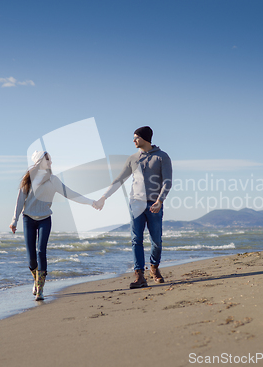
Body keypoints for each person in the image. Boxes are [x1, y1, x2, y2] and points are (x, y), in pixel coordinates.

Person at [10, 150, 99, 300]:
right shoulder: (28, 179)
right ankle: (36, 280)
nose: (51, 162)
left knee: (40, 251)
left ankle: (40, 289)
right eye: (47, 159)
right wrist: (14, 220)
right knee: (31, 258)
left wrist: (91, 202)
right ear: (39, 161)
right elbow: (20, 201)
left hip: (45, 218)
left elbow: (71, 193)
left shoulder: (53, 180)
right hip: (28, 219)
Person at [94, 126, 172, 289]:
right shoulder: (132, 159)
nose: (133, 140)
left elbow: (167, 182)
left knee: (156, 241)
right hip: (135, 204)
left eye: (136, 137)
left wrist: (160, 200)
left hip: (154, 204)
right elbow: (119, 179)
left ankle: (154, 267)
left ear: (145, 138)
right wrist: (104, 197)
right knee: (136, 240)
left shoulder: (162, 157)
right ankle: (139, 275)